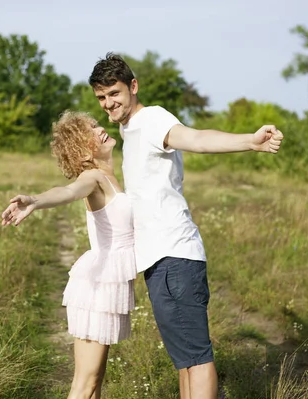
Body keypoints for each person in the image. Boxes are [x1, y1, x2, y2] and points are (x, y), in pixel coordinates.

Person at [89, 53, 284, 399]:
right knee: (184, 360)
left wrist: (249, 142)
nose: (108, 103)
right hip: (158, 259)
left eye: (114, 93)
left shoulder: (151, 119)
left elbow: (196, 139)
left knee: (196, 356)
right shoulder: (128, 130)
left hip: (174, 254)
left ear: (133, 87)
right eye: (101, 98)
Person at [0, 110, 136, 399]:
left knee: (94, 382)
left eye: (97, 124)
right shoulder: (92, 178)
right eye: (91, 129)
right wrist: (35, 201)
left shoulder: (112, 176)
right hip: (98, 285)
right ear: (81, 149)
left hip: (110, 286)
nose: (100, 129)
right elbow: (69, 191)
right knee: (84, 385)